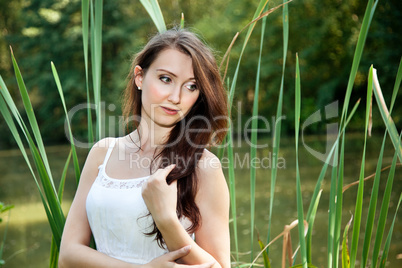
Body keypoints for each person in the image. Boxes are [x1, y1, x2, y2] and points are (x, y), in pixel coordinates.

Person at [59, 27, 230, 268]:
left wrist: (166, 219)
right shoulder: (102, 153)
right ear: (140, 77)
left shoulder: (204, 166)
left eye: (191, 86)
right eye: (166, 79)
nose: (176, 97)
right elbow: (67, 255)